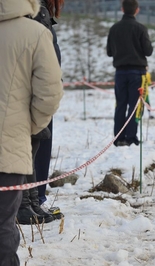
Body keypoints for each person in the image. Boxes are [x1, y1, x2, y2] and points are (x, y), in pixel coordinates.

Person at [0, 0, 63, 263]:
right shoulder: (35, 32)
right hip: (9, 146)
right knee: (3, 224)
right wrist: (30, 126)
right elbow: (50, 92)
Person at [16, 0, 65, 225]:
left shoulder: (39, 12)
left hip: (34, 93)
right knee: (31, 148)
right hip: (33, 94)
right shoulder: (37, 12)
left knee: (33, 148)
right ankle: (26, 204)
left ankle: (33, 202)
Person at [106, 0, 153, 147]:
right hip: (137, 73)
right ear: (136, 10)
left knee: (120, 105)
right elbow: (148, 51)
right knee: (135, 106)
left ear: (122, 9)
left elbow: (109, 52)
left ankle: (119, 137)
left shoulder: (114, 29)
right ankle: (131, 137)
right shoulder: (141, 28)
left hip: (120, 72)